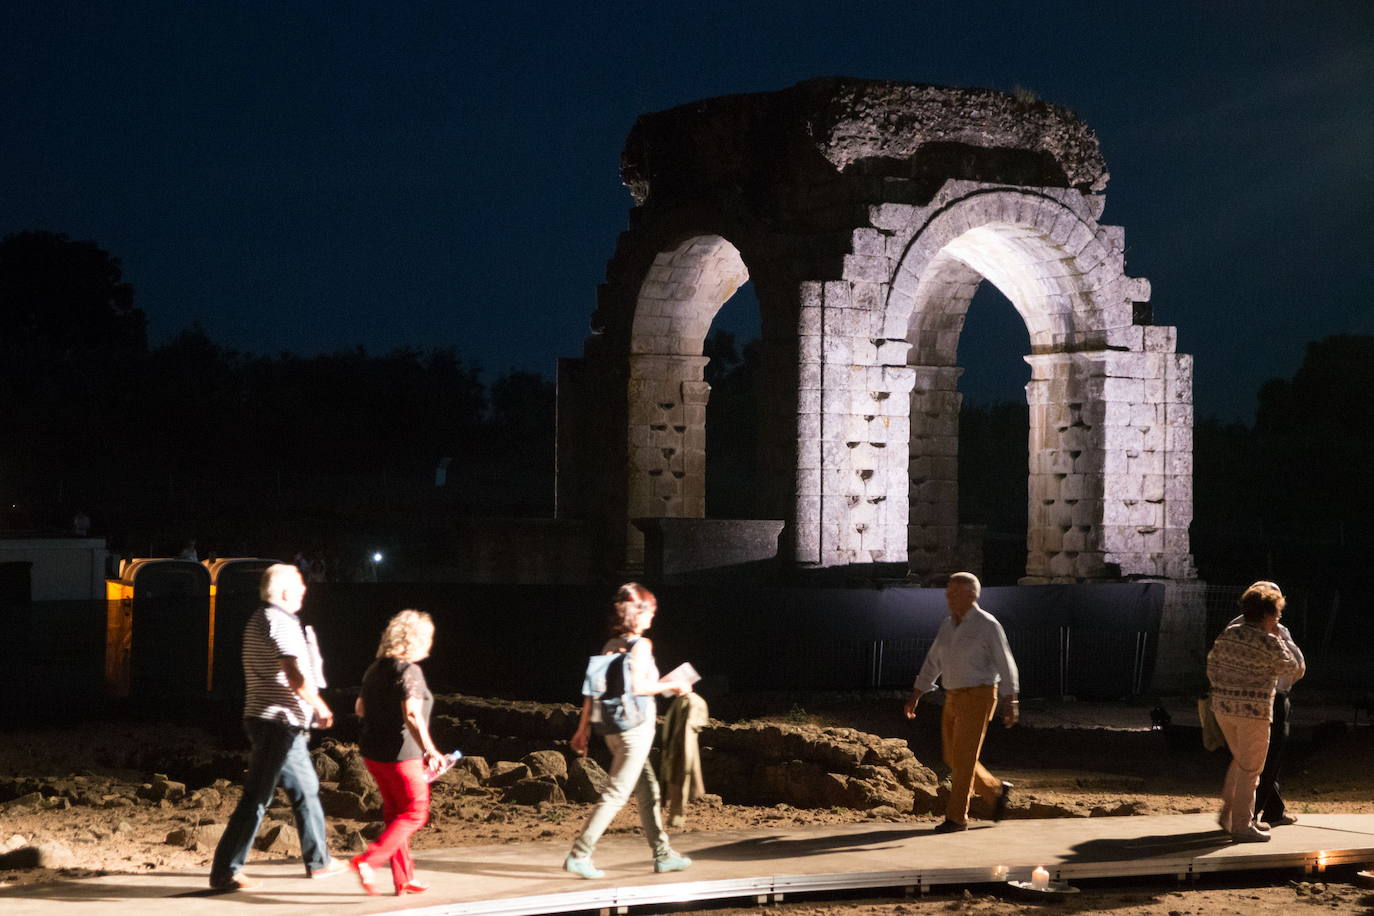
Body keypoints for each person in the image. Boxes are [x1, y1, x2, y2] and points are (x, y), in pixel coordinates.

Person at [209, 564, 346, 890]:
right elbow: (293, 672)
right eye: (300, 585)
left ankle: (320, 862)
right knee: (257, 797)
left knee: (307, 792)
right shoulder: (278, 621)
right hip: (277, 724)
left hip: (282, 724)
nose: (305, 590)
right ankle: (226, 870)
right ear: (284, 591)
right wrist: (319, 705)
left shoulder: (267, 619)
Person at [564, 583, 694, 879]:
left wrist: (582, 729)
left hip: (612, 729)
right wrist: (673, 686)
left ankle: (662, 854)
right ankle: (580, 854)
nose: (651, 618)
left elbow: (592, 691)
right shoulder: (642, 646)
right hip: (634, 731)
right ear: (637, 613)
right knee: (616, 793)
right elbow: (639, 688)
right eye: (649, 612)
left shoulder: (610, 645)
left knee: (648, 790)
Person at [903, 572, 1018, 833]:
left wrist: (1011, 699)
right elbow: (934, 661)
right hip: (953, 696)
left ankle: (956, 818)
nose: (948, 597)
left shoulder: (987, 625)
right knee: (952, 756)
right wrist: (917, 693)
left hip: (979, 695)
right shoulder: (948, 625)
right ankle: (994, 792)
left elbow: (1005, 661)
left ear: (972, 595)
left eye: (955, 592)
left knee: (964, 758)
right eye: (948, 592)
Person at [351, 610, 442, 896]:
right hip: (402, 755)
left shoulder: (374, 668)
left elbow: (359, 709)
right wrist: (431, 750)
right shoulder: (408, 671)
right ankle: (369, 860)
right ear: (416, 639)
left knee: (396, 814)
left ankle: (403, 878)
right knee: (415, 812)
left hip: (374, 753)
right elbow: (412, 715)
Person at [1207, 580, 1302, 843]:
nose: (1279, 617)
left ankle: (1228, 814)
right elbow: (1292, 667)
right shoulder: (1268, 641)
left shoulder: (1229, 633)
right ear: (1267, 614)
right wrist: (1277, 636)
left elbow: (1211, 666)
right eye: (1277, 613)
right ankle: (1242, 824)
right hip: (1253, 711)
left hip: (1223, 708)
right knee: (1251, 770)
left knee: (1240, 761)